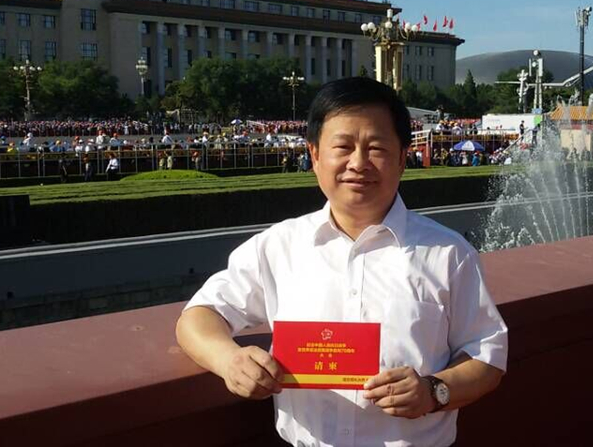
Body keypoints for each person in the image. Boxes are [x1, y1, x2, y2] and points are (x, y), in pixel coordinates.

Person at [176, 77, 507, 447]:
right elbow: (198, 317)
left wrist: (433, 391)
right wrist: (229, 361)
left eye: (376, 147)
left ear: (402, 158)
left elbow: (487, 357)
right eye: (343, 147)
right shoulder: (278, 246)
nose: (358, 163)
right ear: (315, 155)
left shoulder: (448, 253)